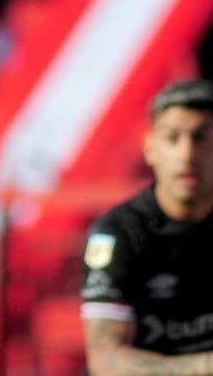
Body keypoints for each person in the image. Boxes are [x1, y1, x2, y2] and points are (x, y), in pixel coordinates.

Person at [81, 80, 213, 374]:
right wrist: (203, 367)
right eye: (172, 138)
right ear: (150, 149)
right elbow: (105, 361)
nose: (187, 155)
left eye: (201, 137)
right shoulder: (118, 234)